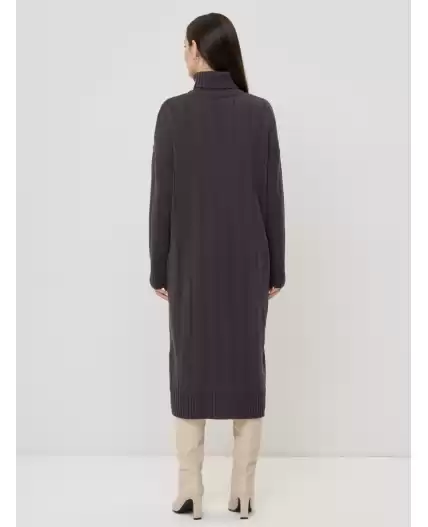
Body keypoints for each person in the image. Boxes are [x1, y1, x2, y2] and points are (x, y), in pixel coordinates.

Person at [149, 12, 285, 520]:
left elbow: (161, 200)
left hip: (189, 266)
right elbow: (272, 198)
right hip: (249, 264)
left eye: (184, 47)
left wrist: (158, 267)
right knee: (247, 369)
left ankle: (190, 491)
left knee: (189, 370)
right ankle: (243, 493)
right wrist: (277, 268)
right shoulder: (259, 112)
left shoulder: (172, 113)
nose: (183, 55)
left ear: (195, 49)